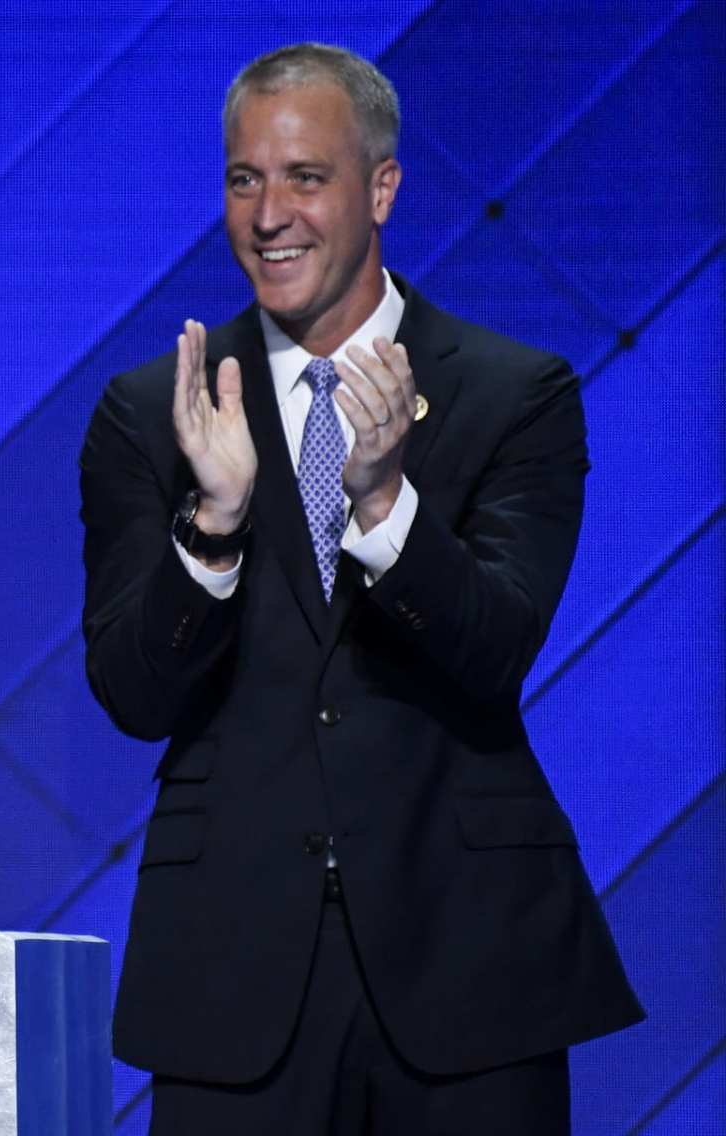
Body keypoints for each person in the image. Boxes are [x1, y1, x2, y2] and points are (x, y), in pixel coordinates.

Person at [79, 44, 642, 1133]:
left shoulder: (513, 392)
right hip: (234, 973)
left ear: (381, 187)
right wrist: (216, 524)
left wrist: (386, 509)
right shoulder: (158, 410)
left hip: (469, 961)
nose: (269, 213)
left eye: (305, 177)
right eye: (245, 178)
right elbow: (132, 694)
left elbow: (495, 645)